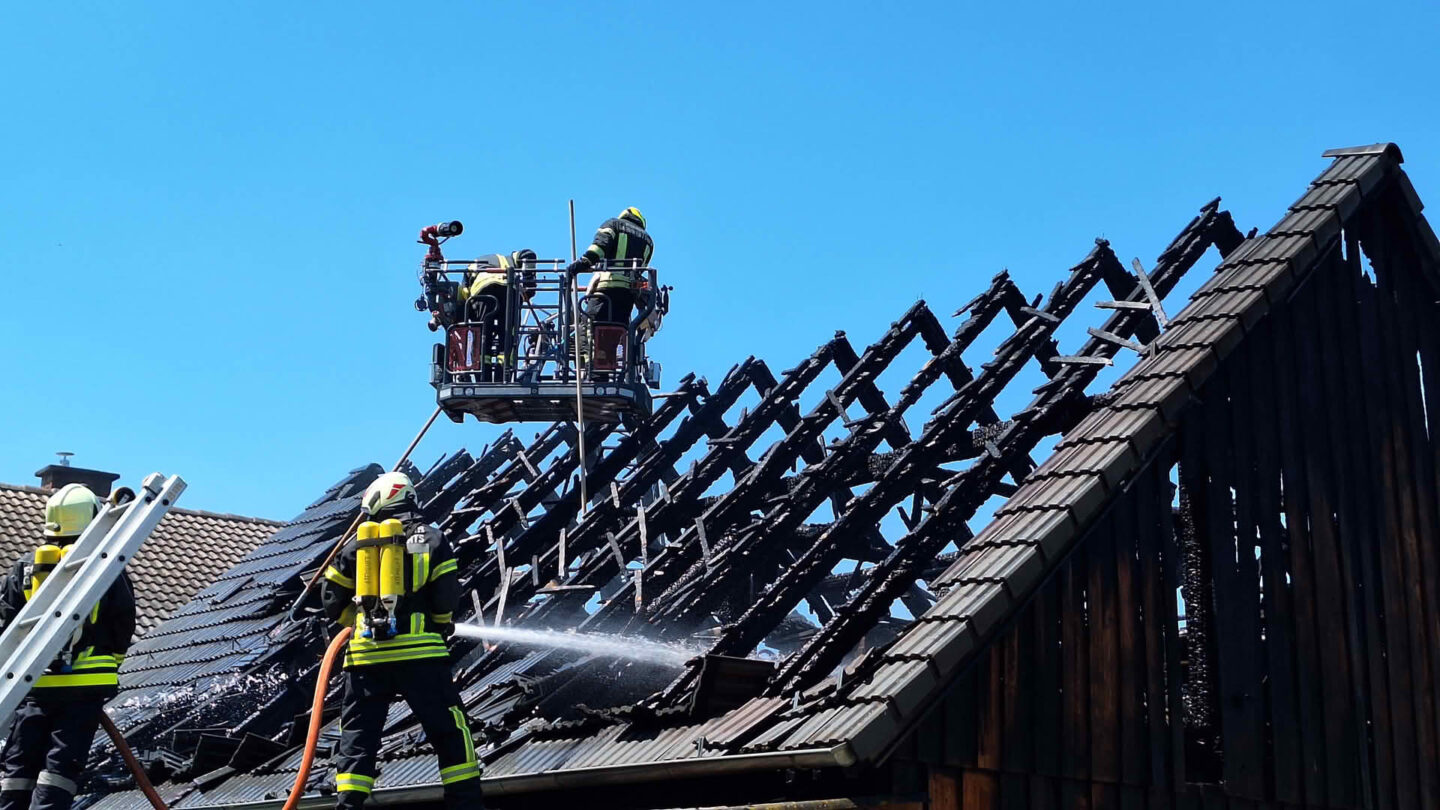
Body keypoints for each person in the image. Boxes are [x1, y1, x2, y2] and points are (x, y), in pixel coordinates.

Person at [320, 472, 482, 810]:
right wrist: (439, 626)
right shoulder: (431, 539)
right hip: (421, 655)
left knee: (357, 740)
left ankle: (348, 806)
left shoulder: (357, 545)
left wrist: (358, 623)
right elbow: (446, 596)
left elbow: (330, 598)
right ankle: (465, 804)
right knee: (449, 730)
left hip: (365, 658)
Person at [0, 484, 136, 810]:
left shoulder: (24, 569)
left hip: (32, 687)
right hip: (83, 690)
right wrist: (108, 666)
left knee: (17, 768)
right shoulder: (106, 569)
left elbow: (6, 625)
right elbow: (123, 625)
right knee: (58, 771)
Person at [457, 249, 537, 381]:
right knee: (507, 334)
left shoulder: (471, 267)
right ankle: (503, 374)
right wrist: (529, 284)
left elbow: (464, 296)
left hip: (482, 292)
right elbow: (528, 254)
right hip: (508, 290)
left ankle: (483, 377)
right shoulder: (510, 259)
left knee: (482, 335)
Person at [568, 207, 653, 325]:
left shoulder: (614, 224)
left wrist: (581, 264)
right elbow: (640, 270)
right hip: (627, 296)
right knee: (616, 332)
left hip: (606, 288)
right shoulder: (648, 241)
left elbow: (598, 249)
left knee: (589, 327)